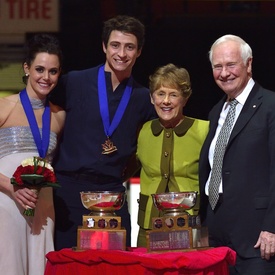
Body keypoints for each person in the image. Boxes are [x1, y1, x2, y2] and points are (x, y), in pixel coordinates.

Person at [49, 15, 156, 250]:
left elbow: (147, 145)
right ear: (104, 46)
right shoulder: (74, 82)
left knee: (117, 265)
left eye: (130, 47)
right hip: (68, 193)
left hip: (113, 194)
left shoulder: (142, 97)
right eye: (115, 45)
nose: (122, 53)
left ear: (139, 51)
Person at [199, 34, 275, 274]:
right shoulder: (215, 111)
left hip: (257, 238)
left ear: (248, 64)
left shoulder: (271, 106)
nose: (224, 73)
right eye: (217, 66)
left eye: (231, 65)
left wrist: (272, 227)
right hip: (217, 235)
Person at [0, 34, 65, 275]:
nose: (45, 77)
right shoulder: (4, 107)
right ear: (26, 68)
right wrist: (12, 187)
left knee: (39, 266)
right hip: (7, 203)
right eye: (39, 69)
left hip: (43, 204)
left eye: (53, 71)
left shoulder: (59, 117)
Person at [136, 63, 209, 247]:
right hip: (149, 227)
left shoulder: (204, 130)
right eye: (160, 94)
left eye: (173, 94)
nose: (166, 101)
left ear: (185, 99)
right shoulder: (144, 131)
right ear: (152, 98)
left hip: (191, 227)